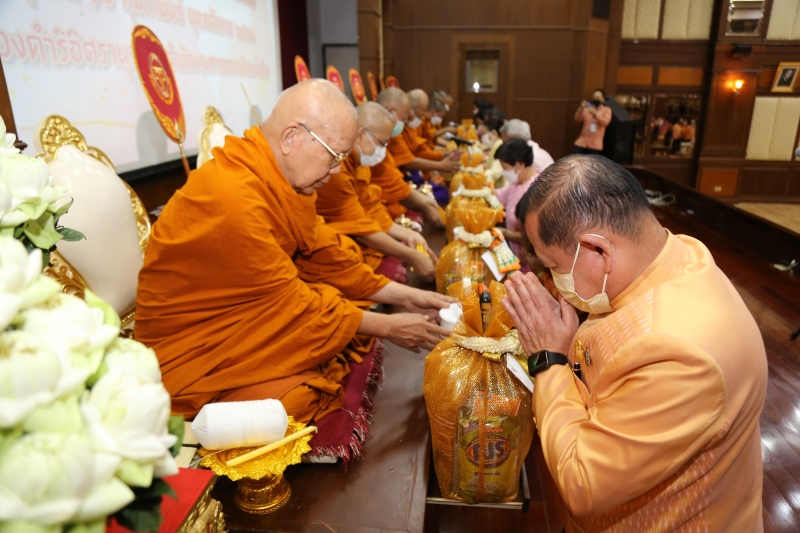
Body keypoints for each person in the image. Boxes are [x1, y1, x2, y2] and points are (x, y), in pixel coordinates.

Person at [135, 79, 453, 422]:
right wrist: (388, 327)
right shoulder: (234, 198)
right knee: (300, 397)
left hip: (251, 314)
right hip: (194, 347)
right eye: (334, 158)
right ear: (291, 138)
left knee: (332, 346)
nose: (335, 173)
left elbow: (322, 252)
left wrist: (404, 295)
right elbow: (292, 306)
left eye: (343, 159)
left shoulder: (284, 178)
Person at [501, 155, 766, 532]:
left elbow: (584, 484)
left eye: (554, 268)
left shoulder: (677, 354)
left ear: (598, 252)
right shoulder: (669, 256)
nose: (553, 279)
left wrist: (548, 358)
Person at [316, 102, 437, 281]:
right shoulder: (336, 169)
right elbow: (362, 230)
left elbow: (371, 209)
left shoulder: (358, 161)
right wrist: (411, 256)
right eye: (382, 143)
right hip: (322, 240)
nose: (384, 151)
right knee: (348, 251)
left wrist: (410, 235)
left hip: (353, 224)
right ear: (361, 134)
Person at [381, 88, 460, 175]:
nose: (422, 119)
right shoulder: (391, 130)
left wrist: (442, 155)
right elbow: (408, 162)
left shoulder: (410, 125)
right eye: (420, 115)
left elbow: (420, 150)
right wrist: (440, 165)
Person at [493, 139, 536, 266]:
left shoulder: (534, 190)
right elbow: (499, 195)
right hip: (512, 252)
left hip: (528, 262)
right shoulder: (516, 183)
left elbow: (530, 237)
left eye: (505, 168)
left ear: (520, 165)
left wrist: (503, 232)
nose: (503, 172)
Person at [573, 88, 612, 155]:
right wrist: (581, 108)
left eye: (598, 97)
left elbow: (605, 122)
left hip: (595, 145)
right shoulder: (587, 108)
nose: (596, 99)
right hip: (582, 142)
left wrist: (595, 114)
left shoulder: (606, 110)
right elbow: (577, 119)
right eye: (594, 97)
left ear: (603, 99)